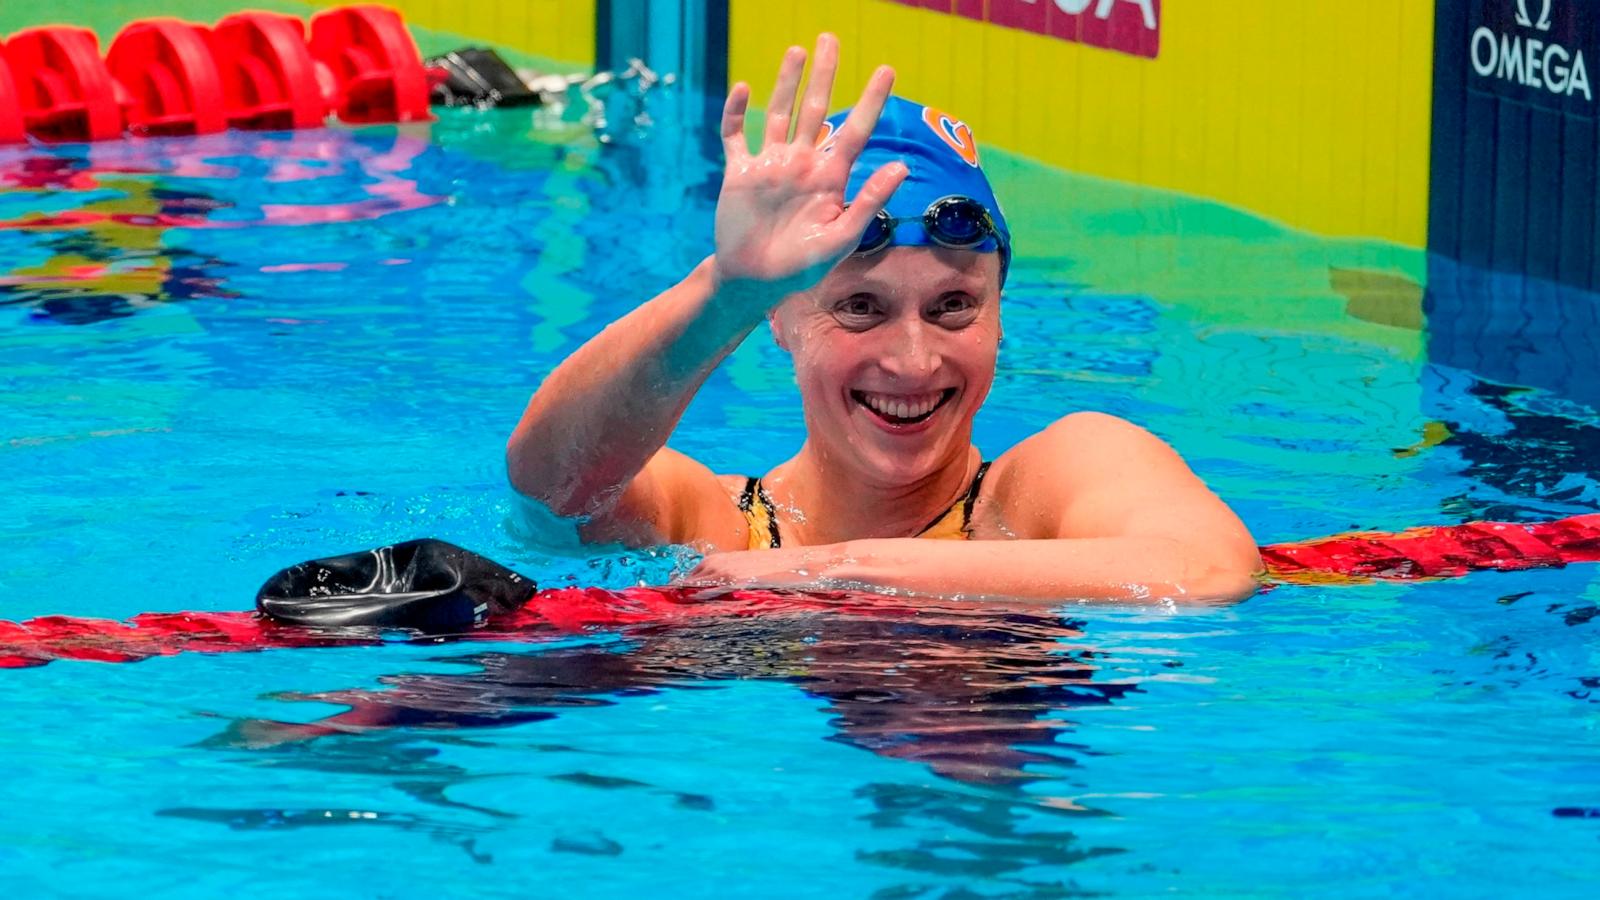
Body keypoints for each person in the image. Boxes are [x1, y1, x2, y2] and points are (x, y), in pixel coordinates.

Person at [507, 35, 1260, 602]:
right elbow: (552, 488)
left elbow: (1206, 571)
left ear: (1001, 316)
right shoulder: (714, 524)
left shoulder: (1045, 489)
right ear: (781, 320)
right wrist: (726, 290)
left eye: (954, 307)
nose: (913, 361)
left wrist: (833, 569)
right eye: (860, 308)